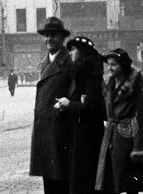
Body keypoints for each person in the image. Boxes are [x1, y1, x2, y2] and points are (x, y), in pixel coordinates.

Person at [95, 49, 143, 194]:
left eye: (113, 64)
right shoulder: (109, 88)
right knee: (111, 182)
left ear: (124, 66)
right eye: (108, 64)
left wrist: (138, 150)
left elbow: (140, 125)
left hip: (127, 142)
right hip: (109, 139)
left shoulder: (137, 93)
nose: (109, 68)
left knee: (129, 183)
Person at [29, 17, 74, 194]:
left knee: (62, 181)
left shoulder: (69, 63)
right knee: (49, 181)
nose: (49, 39)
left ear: (62, 38)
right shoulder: (45, 63)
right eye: (46, 35)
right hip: (45, 132)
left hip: (60, 132)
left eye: (53, 35)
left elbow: (74, 96)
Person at [55, 36, 105, 194]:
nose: (70, 53)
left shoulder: (91, 74)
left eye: (74, 50)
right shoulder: (78, 72)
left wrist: (69, 104)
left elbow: (92, 106)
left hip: (88, 135)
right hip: (78, 131)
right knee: (78, 176)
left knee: (85, 177)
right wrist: (65, 105)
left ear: (82, 52)